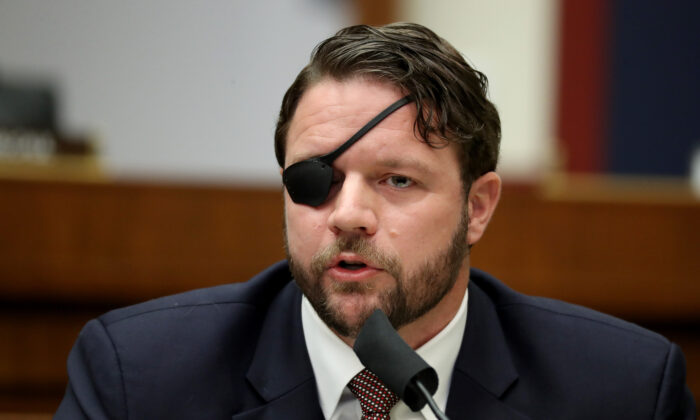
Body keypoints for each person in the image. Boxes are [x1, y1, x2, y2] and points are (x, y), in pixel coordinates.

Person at [54, 23, 695, 419]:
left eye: (396, 180)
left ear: (478, 207)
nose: (349, 216)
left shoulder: (622, 391)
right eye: (316, 179)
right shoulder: (139, 380)